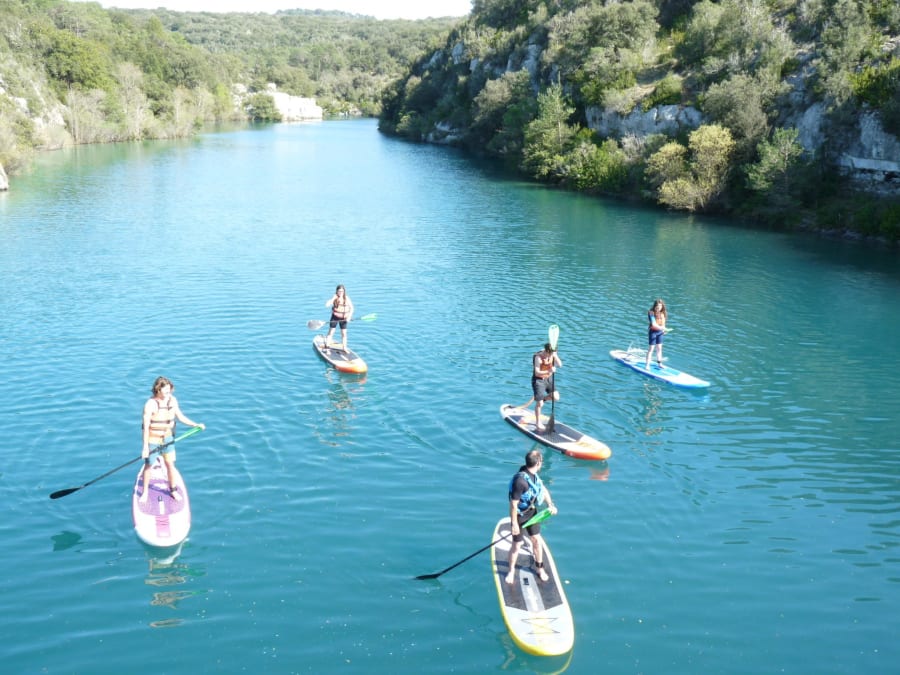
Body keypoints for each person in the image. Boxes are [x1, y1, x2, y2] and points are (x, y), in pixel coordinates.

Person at [139, 376, 204, 503]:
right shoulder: (150, 404)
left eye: (170, 391)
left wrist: (195, 425)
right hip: (153, 439)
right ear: (158, 390)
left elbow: (180, 416)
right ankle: (145, 492)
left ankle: (173, 490)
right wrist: (145, 448)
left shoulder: (172, 400)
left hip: (168, 439)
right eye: (166, 391)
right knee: (148, 466)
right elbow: (145, 428)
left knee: (170, 464)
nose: (169, 394)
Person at [505, 450, 558, 584]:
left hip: (532, 513)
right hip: (519, 516)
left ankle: (540, 568)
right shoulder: (520, 481)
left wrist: (550, 505)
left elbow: (543, 489)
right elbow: (513, 504)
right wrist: (514, 524)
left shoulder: (534, 476)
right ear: (538, 463)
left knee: (536, 540)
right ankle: (511, 571)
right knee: (517, 545)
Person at [532, 342, 562, 432]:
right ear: (547, 351)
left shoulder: (552, 354)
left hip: (548, 379)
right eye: (551, 353)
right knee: (540, 404)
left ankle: (542, 399)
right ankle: (538, 422)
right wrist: (549, 370)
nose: (552, 355)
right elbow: (537, 372)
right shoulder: (538, 357)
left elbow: (560, 365)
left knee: (556, 397)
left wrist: (555, 356)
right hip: (538, 380)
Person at [324, 284, 354, 350]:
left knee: (344, 333)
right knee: (331, 332)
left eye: (342, 291)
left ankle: (344, 348)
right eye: (339, 291)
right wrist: (333, 299)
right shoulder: (335, 298)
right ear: (337, 291)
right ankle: (327, 345)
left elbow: (352, 308)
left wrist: (349, 317)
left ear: (344, 291)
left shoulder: (347, 298)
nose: (341, 293)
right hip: (335, 317)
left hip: (344, 318)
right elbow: (326, 305)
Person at [645, 298, 668, 369]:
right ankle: (647, 365)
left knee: (659, 348)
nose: (659, 307)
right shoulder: (651, 313)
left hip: (660, 332)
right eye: (657, 306)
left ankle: (660, 364)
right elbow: (654, 324)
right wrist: (662, 328)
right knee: (651, 349)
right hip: (653, 332)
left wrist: (664, 330)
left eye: (660, 306)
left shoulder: (663, 313)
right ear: (655, 306)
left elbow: (663, 324)